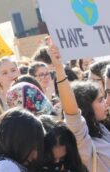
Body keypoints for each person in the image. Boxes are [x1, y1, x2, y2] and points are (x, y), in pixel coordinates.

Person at [47, 40, 110, 172]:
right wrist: (59, 68)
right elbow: (72, 114)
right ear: (86, 107)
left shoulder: (102, 130)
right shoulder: (81, 141)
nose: (106, 102)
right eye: (100, 100)